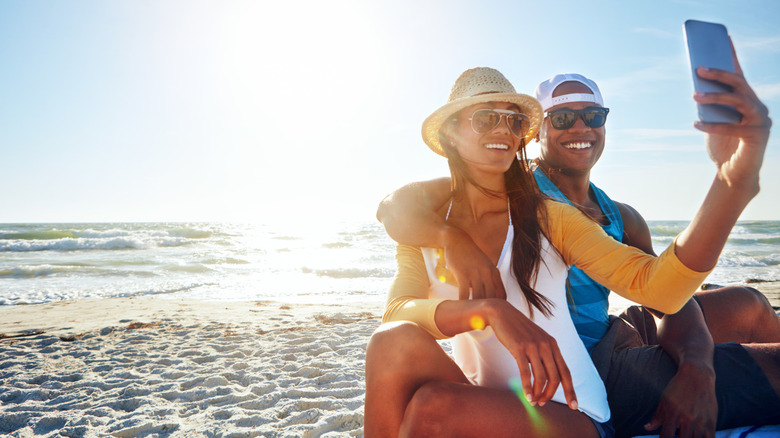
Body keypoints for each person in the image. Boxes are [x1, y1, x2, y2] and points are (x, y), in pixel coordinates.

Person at [364, 59, 772, 438]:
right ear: (451, 132)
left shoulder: (547, 215)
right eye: (486, 118)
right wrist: (486, 308)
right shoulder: (429, 222)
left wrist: (731, 183)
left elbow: (659, 288)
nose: (503, 130)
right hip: (500, 396)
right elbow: (398, 312)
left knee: (432, 408)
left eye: (514, 120)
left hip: (571, 406)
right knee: (391, 342)